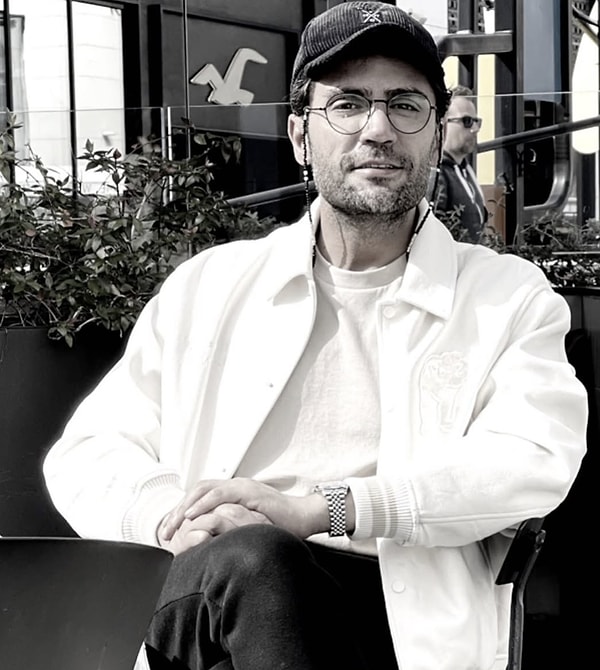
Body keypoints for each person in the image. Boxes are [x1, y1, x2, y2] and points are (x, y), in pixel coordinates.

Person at [43, 3, 587, 670]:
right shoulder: (210, 287)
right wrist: (172, 516)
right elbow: (88, 452)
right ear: (300, 135)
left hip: (400, 622)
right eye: (348, 105)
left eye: (405, 105)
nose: (378, 130)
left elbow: (531, 460)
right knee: (254, 560)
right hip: (218, 597)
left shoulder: (505, 297)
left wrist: (320, 510)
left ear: (435, 134)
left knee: (262, 561)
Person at [433, 85, 489, 243]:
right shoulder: (437, 173)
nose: (475, 129)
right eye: (467, 121)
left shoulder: (465, 170)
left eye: (476, 122)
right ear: (443, 124)